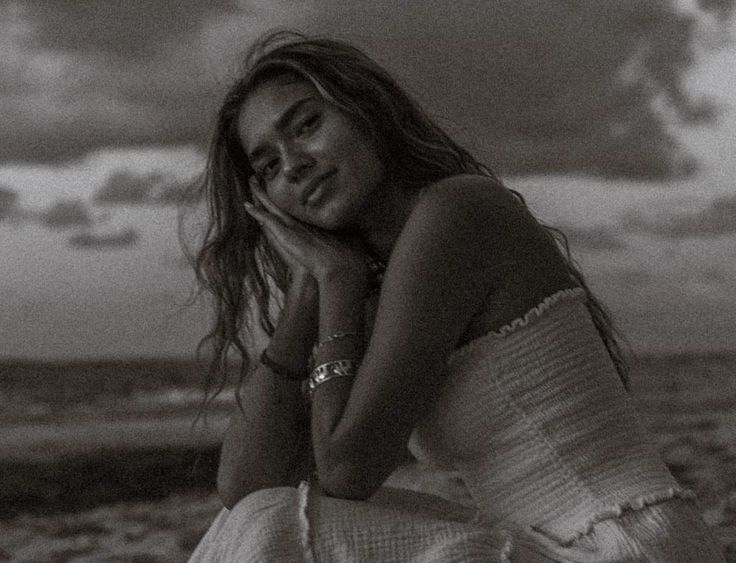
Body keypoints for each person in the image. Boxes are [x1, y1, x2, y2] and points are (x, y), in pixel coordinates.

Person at [187, 31, 724, 562]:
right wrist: (306, 296)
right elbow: (245, 486)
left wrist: (335, 283)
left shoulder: (457, 213)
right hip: (548, 545)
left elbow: (347, 470)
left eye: (306, 125)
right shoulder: (366, 284)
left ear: (367, 111)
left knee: (273, 526)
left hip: (623, 543)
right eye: (269, 167)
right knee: (259, 515)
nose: (294, 163)